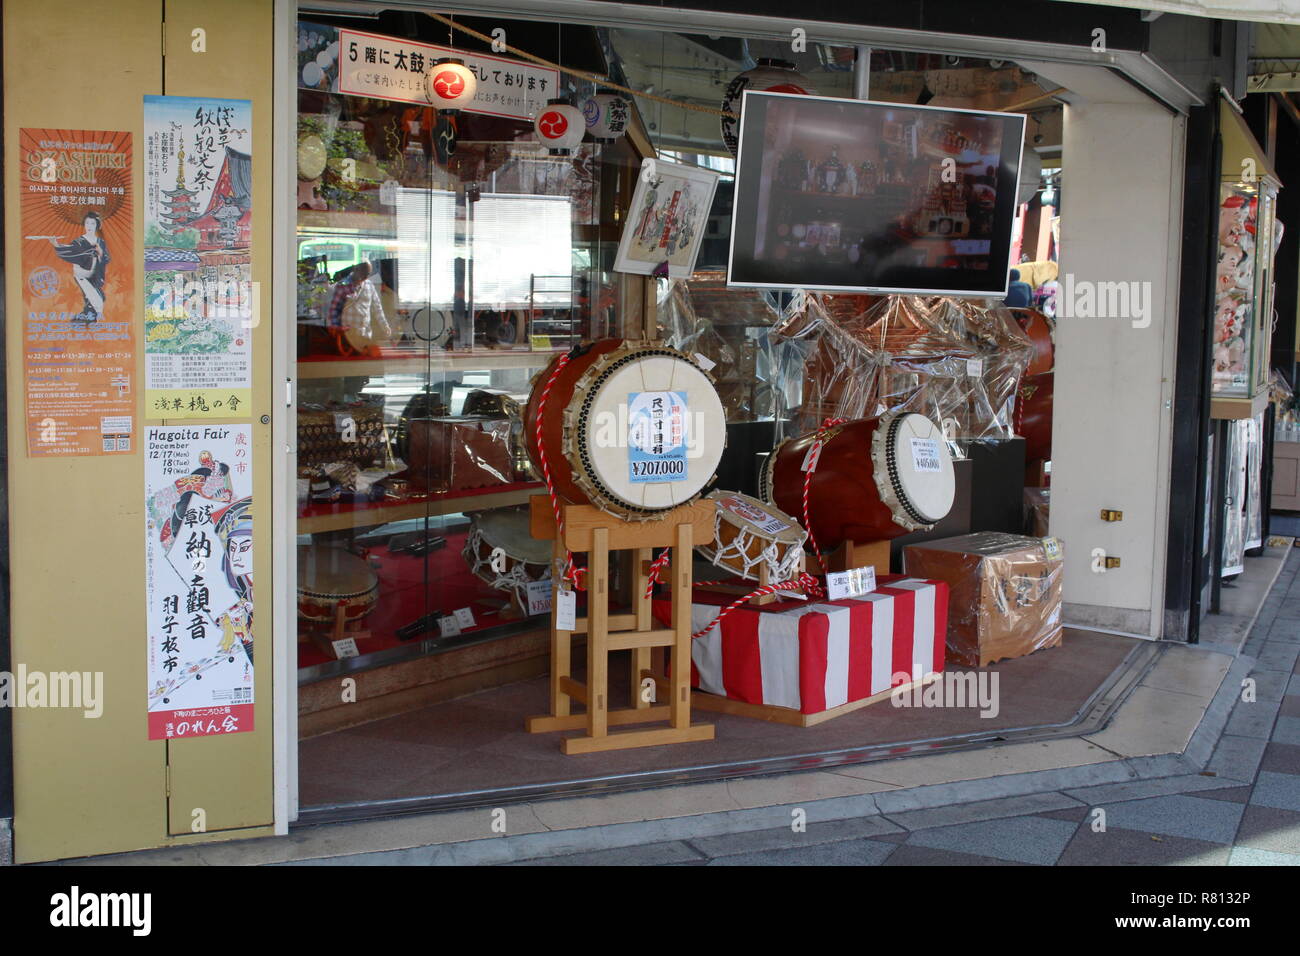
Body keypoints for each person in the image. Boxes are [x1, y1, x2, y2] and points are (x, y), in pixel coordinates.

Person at [47, 210, 109, 322]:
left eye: (92, 223)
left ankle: (82, 321)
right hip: (82, 273)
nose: (89, 226)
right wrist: (56, 244)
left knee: (96, 298)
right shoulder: (79, 241)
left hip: (96, 273)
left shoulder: (101, 242)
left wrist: (100, 253)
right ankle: (89, 320)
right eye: (87, 223)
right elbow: (69, 251)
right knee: (95, 298)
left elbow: (106, 258)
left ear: (97, 225)